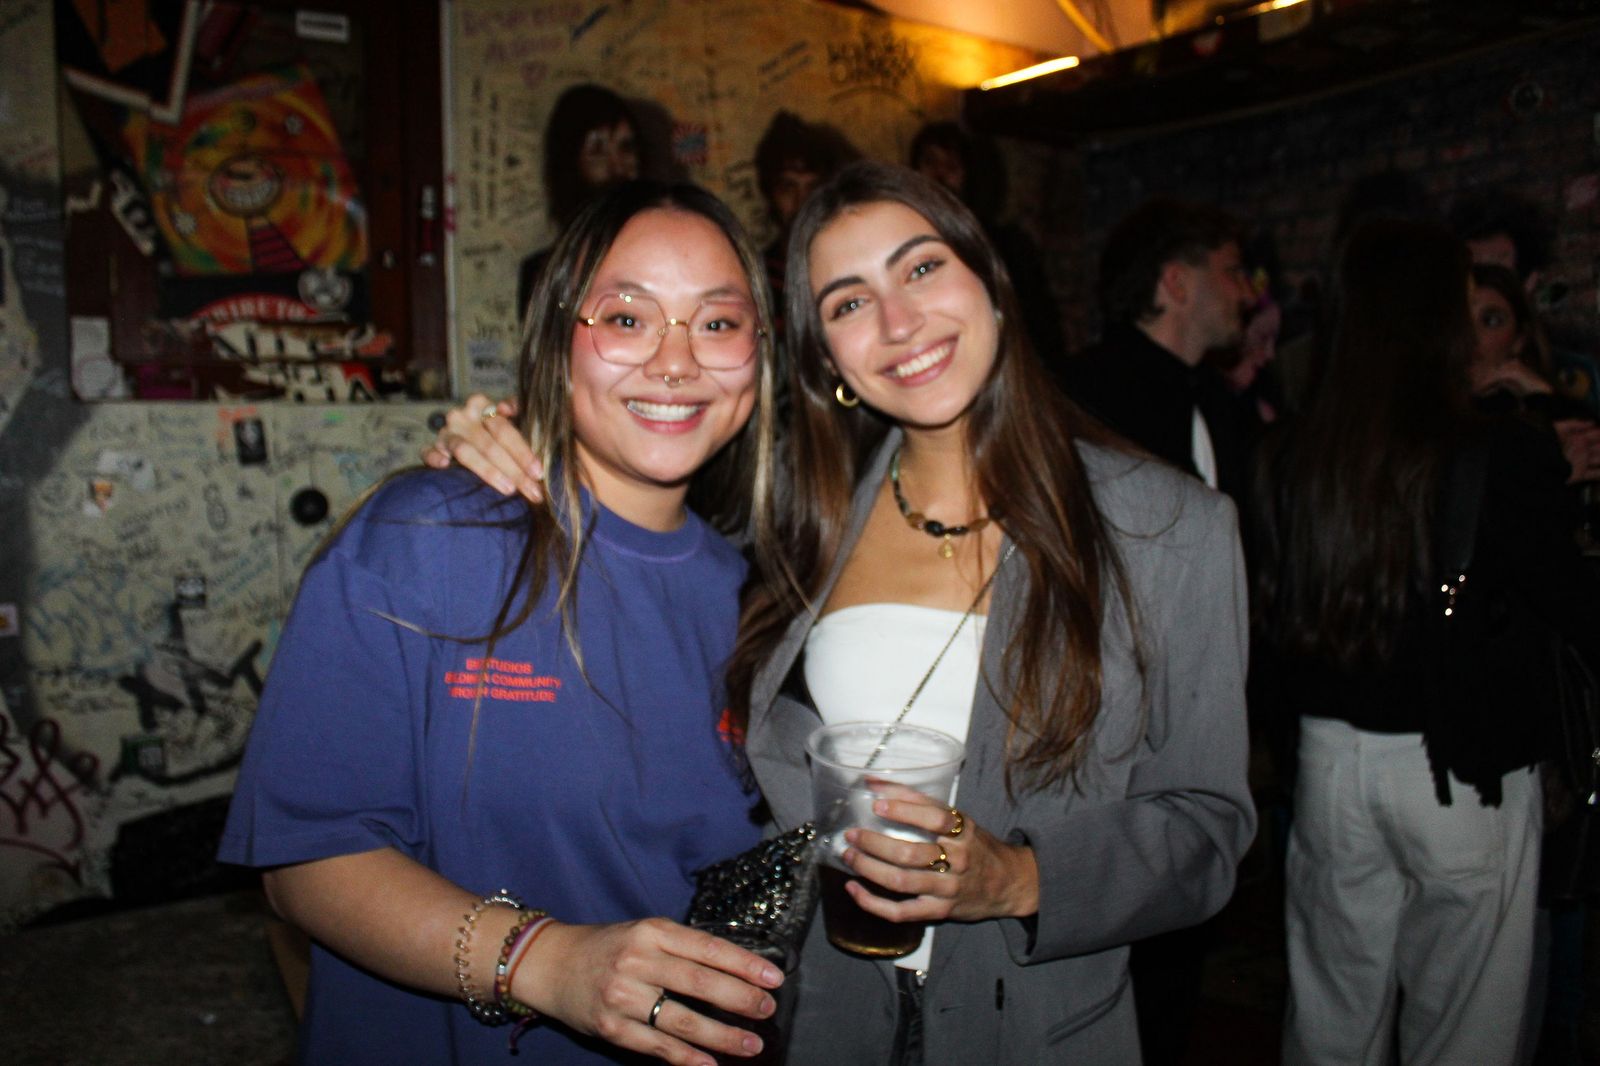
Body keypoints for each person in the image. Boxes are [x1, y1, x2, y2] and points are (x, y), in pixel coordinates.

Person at [432, 161, 1255, 1064]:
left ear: (991, 286)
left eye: (923, 268)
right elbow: (624, 489)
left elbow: (1210, 828)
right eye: (849, 302)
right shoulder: (791, 521)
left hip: (1039, 1032)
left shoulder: (1169, 529)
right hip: (824, 1026)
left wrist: (1020, 877)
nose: (899, 322)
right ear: (828, 360)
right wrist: (498, 433)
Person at [222, 181, 789, 1066]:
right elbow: (305, 861)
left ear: (759, 358)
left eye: (717, 324)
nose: (678, 362)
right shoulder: (426, 536)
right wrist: (547, 961)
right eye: (628, 318)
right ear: (559, 341)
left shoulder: (762, 602)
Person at [1254, 219, 1600, 1065]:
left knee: (1332, 1021)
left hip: (1328, 760)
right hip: (1463, 768)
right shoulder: (1499, 452)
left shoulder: (1290, 453)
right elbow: (1573, 601)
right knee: (1468, 1030)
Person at [1060, 197, 1257, 502]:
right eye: (1232, 272)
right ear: (1176, 283)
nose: (1248, 294)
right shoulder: (1088, 398)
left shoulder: (1215, 397)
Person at [517, 84, 644, 314]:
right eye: (597, 150)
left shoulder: (661, 258)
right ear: (570, 162)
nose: (618, 165)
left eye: (626, 147)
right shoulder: (544, 274)